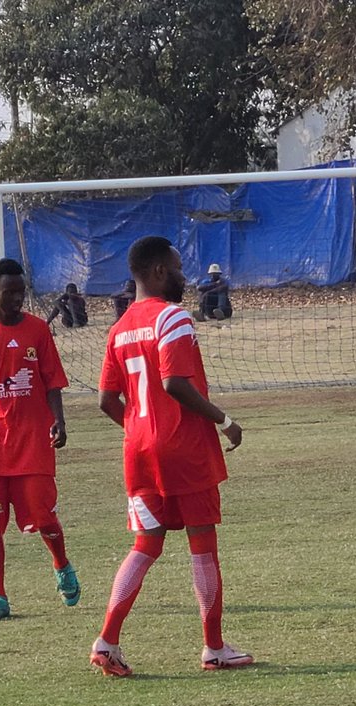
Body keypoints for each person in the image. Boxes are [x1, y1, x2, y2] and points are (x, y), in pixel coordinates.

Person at [92, 235, 252, 676]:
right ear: (160, 271)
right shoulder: (173, 317)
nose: (185, 276)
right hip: (183, 446)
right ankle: (214, 647)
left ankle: (107, 640)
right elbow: (174, 383)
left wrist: (142, 430)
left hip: (138, 450)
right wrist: (224, 420)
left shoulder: (119, 328)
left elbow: (107, 400)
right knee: (202, 543)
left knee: (146, 544)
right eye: (179, 268)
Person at [0, 258, 81, 621]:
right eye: (9, 292)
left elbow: (52, 380)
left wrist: (58, 420)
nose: (16, 298)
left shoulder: (39, 331)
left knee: (43, 517)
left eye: (20, 292)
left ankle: (62, 565)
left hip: (33, 440)